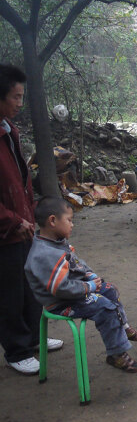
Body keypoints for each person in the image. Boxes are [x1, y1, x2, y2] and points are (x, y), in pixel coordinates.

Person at [25, 197, 137, 372]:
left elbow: (76, 263)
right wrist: (89, 287)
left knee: (110, 290)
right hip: (61, 303)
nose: (72, 225)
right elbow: (60, 289)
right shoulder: (45, 255)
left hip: (75, 292)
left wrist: (91, 276)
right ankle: (117, 354)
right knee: (105, 308)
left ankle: (124, 327)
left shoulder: (57, 242)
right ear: (52, 221)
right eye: (69, 220)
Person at [0, 64, 63, 375]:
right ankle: (16, 350)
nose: (19, 103)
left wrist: (29, 214)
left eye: (22, 96)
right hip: (5, 233)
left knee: (31, 286)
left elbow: (19, 182)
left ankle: (34, 338)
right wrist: (12, 220)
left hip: (23, 228)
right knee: (10, 292)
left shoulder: (10, 131)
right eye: (15, 97)